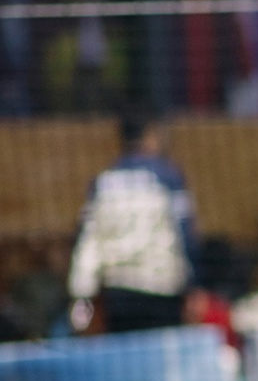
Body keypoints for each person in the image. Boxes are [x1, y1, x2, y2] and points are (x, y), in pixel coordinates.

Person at [68, 107, 196, 335]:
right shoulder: (168, 177)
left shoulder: (103, 182)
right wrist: (195, 284)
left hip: (119, 295)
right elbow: (185, 233)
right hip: (163, 291)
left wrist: (81, 292)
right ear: (152, 133)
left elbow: (88, 241)